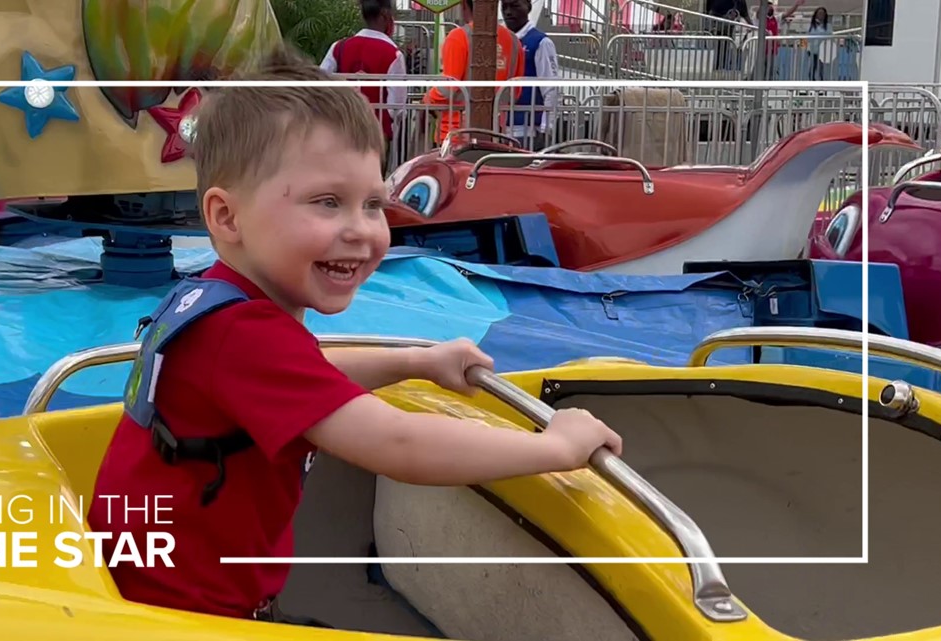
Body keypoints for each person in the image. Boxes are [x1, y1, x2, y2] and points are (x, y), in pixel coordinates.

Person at [88, 45, 623, 626]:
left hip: (157, 587)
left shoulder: (222, 302)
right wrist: (555, 449)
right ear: (227, 217)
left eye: (373, 204)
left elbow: (308, 373)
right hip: (178, 618)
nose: (362, 231)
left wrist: (414, 362)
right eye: (327, 203)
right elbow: (398, 445)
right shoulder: (242, 334)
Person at [320, 0, 407, 172]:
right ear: (386, 16)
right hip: (376, 132)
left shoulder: (339, 47)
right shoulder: (393, 54)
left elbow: (320, 82)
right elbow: (396, 105)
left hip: (342, 129)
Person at [424, 0, 526, 145]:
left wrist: (428, 99)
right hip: (496, 133)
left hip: (454, 134)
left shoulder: (457, 37)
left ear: (464, 5)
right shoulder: (514, 41)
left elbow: (449, 88)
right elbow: (515, 92)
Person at [501, 0, 561, 151]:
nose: (508, 12)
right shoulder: (500, 40)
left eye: (514, 6)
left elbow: (551, 88)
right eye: (504, 7)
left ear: (528, 7)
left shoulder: (541, 42)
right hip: (500, 127)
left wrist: (547, 127)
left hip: (527, 129)